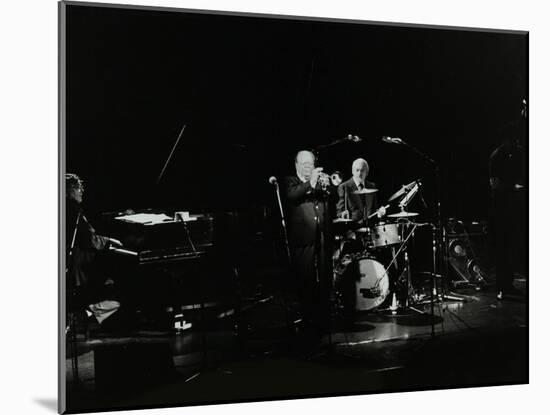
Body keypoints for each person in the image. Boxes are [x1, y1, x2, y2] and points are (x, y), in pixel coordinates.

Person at [283, 150, 335, 333]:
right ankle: (307, 317)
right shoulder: (290, 181)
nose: (308, 167)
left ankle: (323, 315)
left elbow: (329, 198)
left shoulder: (317, 181)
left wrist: (328, 185)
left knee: (325, 274)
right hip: (302, 238)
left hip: (322, 235)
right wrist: (311, 182)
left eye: (311, 164)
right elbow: (292, 196)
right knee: (305, 277)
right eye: (304, 164)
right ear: (296, 165)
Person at [66, 173, 123, 329]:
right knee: (116, 290)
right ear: (69, 191)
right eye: (78, 188)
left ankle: (85, 314)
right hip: (79, 266)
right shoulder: (73, 210)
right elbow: (89, 239)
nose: (81, 192)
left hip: (73, 264)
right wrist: (109, 240)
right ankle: (84, 314)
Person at [489, 115, 526, 300]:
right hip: (501, 208)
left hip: (513, 207)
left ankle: (508, 283)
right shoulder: (497, 156)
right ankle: (502, 285)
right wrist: (513, 187)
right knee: (503, 247)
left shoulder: (517, 153)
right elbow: (494, 184)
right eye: (512, 139)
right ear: (505, 139)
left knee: (512, 246)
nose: (514, 142)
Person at [336, 158, 385, 224]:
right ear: (352, 172)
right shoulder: (344, 187)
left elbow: (374, 209)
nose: (359, 173)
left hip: (370, 228)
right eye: (357, 170)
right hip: (352, 229)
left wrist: (379, 213)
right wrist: (343, 215)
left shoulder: (371, 186)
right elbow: (339, 213)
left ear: (367, 173)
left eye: (362, 170)